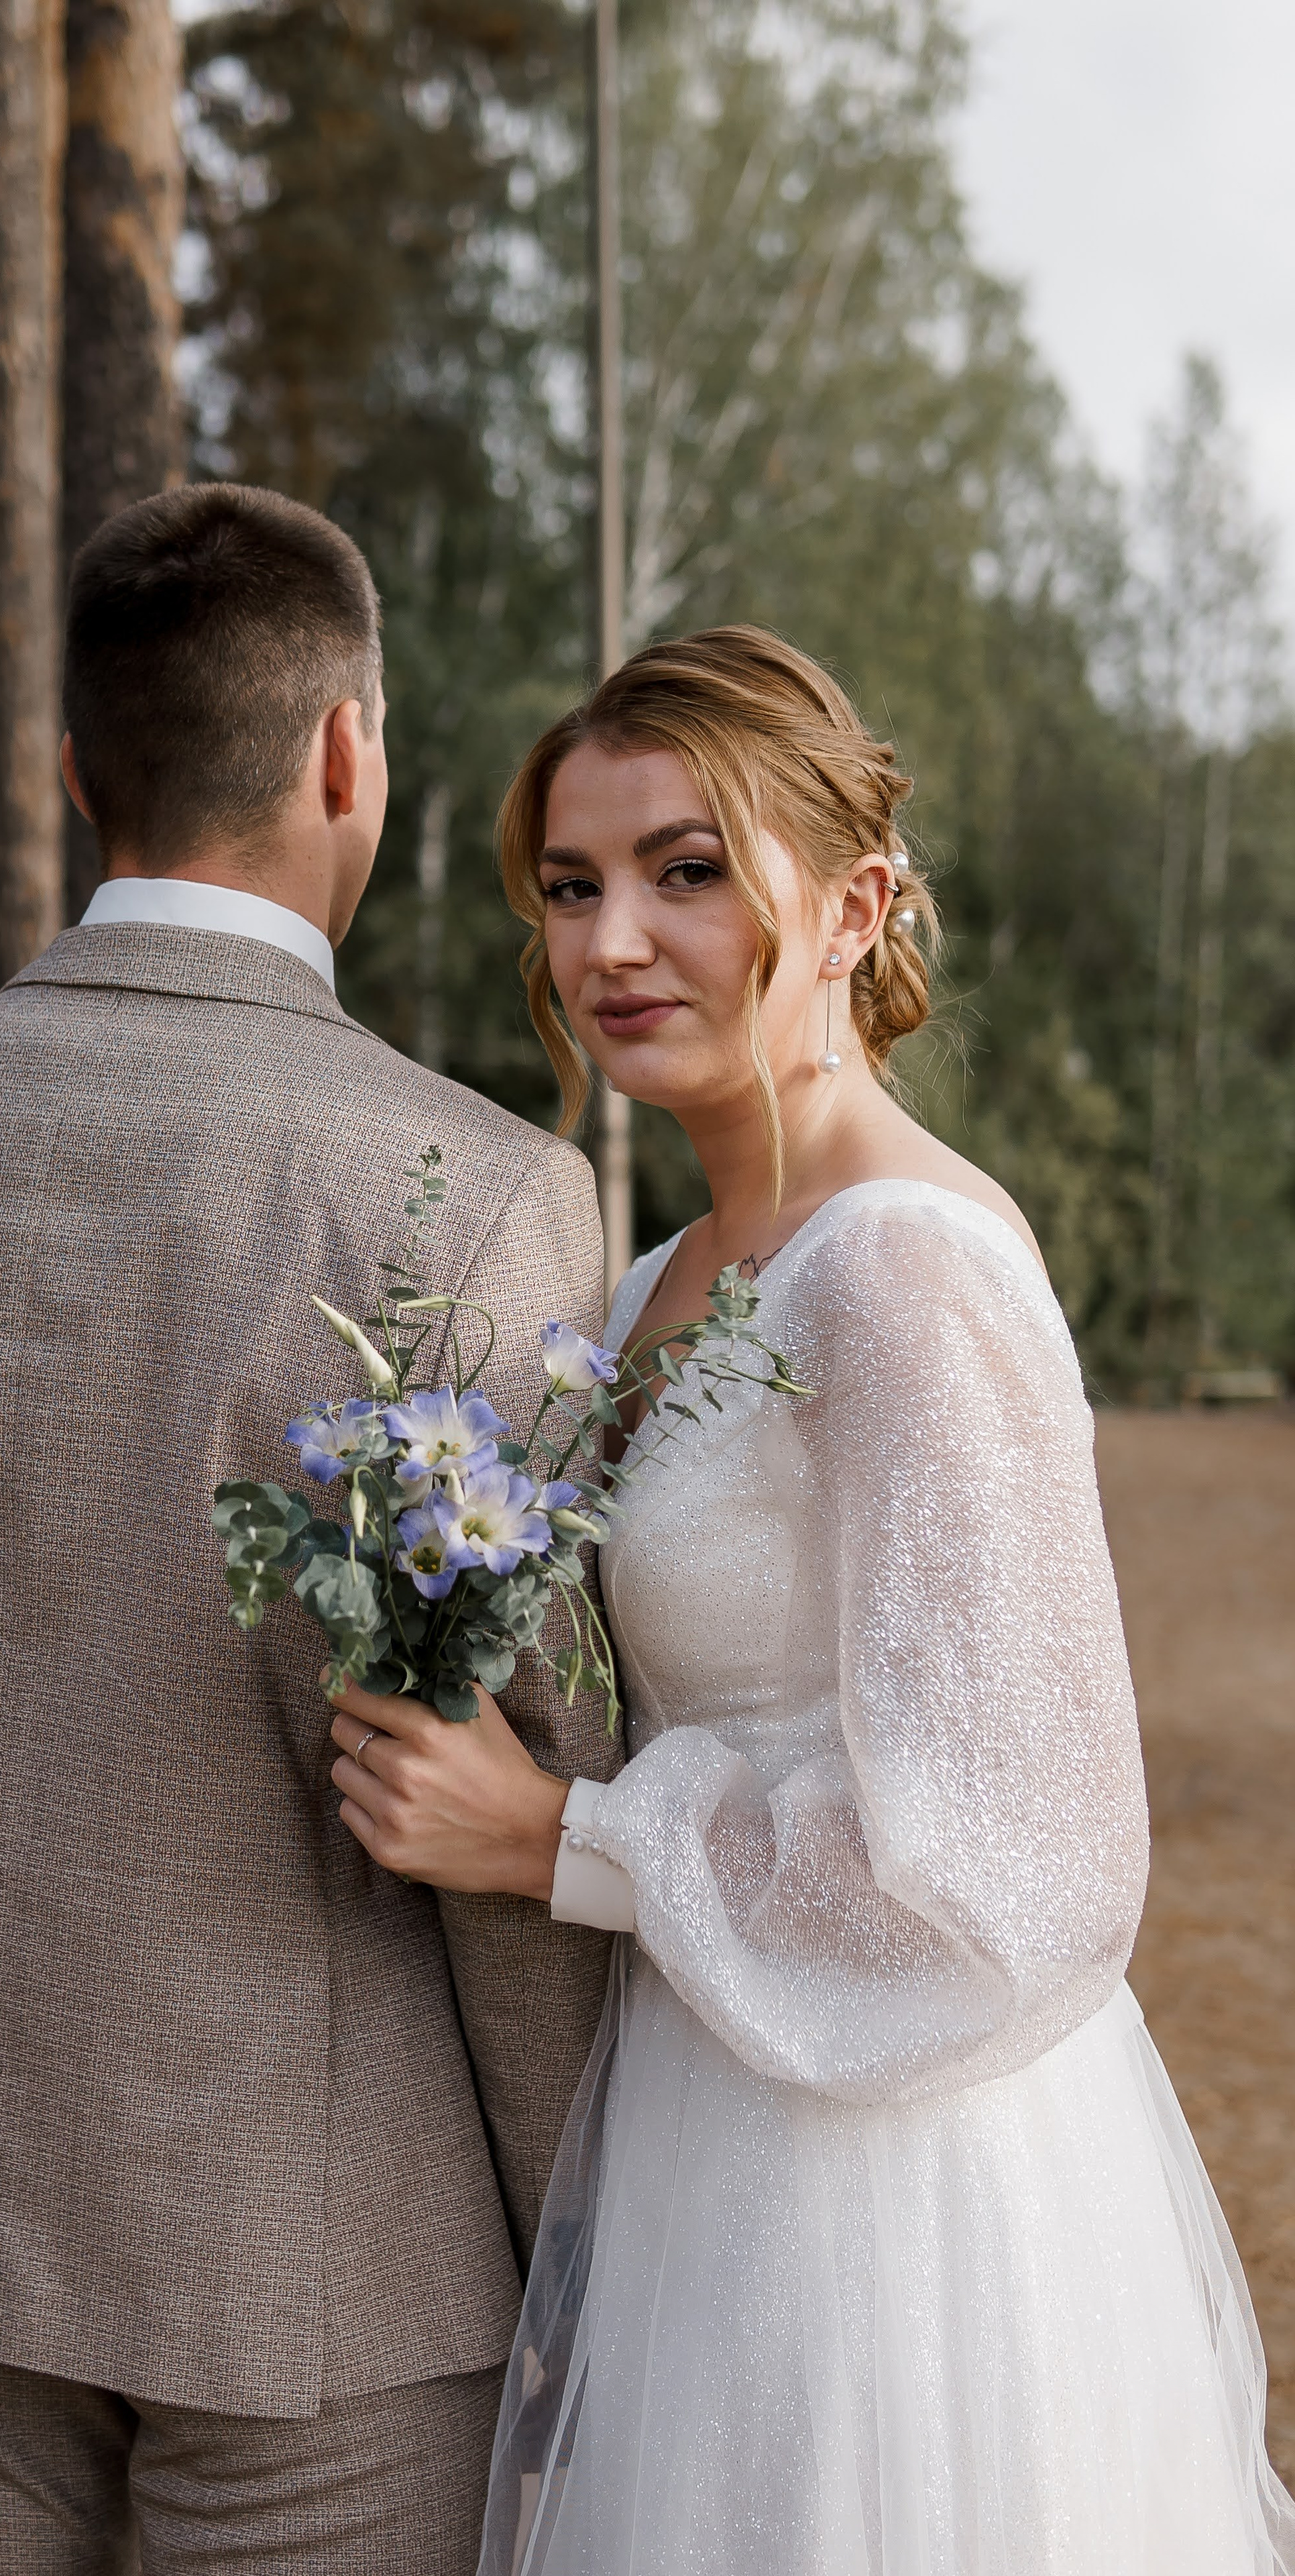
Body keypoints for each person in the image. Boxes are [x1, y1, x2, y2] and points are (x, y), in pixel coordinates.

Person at [0, 482, 619, 2574]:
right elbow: (523, 1779)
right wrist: (586, 2235)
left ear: (73, 770)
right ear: (347, 752)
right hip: (333, 2262)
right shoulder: (477, 1191)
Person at [326, 625, 1295, 2574]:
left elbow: (1025, 1862)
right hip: (702, 2100)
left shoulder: (909, 1270)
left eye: (688, 872)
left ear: (852, 907)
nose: (612, 944)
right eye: (574, 885)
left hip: (897, 2172)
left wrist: (565, 1843)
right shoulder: (654, 1279)